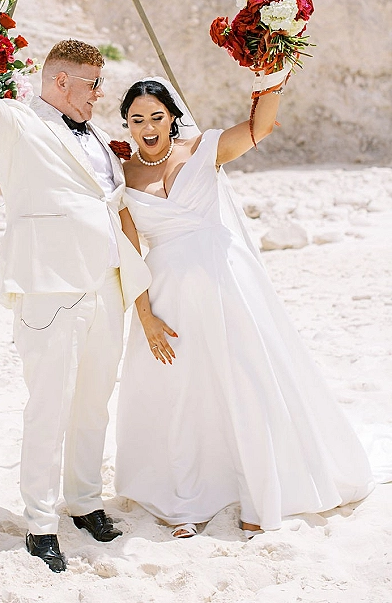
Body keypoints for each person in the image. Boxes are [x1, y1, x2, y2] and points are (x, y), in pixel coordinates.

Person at [0, 8, 151, 572]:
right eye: (93, 85)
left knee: (92, 404)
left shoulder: (98, 138)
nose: (100, 95)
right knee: (49, 407)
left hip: (106, 288)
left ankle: (83, 503)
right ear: (60, 82)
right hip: (50, 293)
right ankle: (39, 523)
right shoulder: (19, 125)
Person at [114, 74, 374, 539]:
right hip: (168, 299)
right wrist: (146, 318)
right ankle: (185, 501)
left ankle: (261, 494)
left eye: (156, 116)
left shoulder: (203, 150)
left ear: (173, 117)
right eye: (137, 119)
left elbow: (260, 129)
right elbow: (130, 254)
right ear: (127, 125)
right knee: (181, 397)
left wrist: (273, 71)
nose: (148, 126)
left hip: (227, 282)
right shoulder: (125, 177)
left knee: (246, 382)